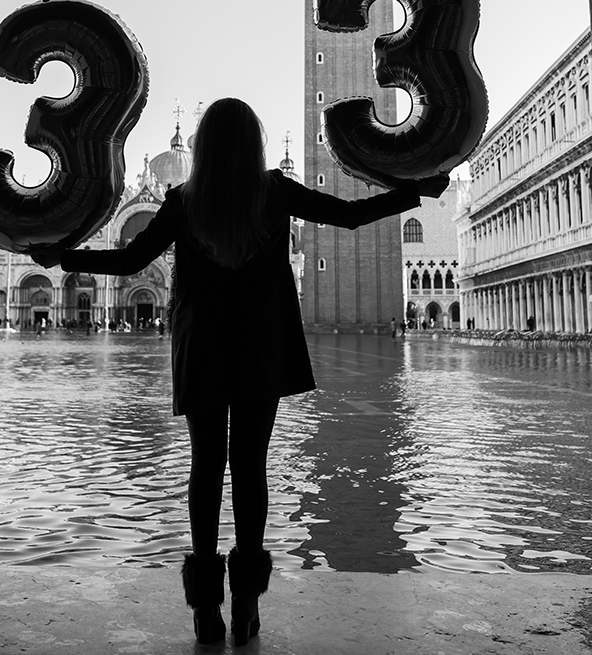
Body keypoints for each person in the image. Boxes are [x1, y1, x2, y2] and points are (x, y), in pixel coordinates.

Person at [31, 97, 447, 646]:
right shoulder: (274, 190)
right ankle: (246, 602)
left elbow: (131, 261)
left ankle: (206, 611)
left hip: (201, 342)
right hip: (260, 344)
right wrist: (414, 191)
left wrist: (65, 255)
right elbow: (347, 216)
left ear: (200, 148)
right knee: (250, 464)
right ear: (255, 144)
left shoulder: (183, 198)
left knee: (206, 466)